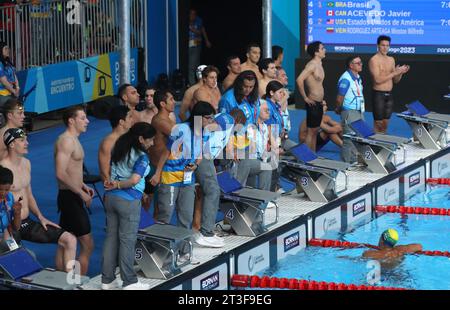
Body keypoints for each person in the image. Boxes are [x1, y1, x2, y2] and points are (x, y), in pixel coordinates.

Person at [1, 128, 77, 271]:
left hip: (26, 222)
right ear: (11, 144)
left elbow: (29, 194)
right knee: (21, 268)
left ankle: (69, 283)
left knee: (69, 240)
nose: (27, 143)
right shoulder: (2, 169)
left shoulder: (26, 163)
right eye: (22, 140)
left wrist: (41, 217)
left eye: (26, 139)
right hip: (8, 227)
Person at [101, 122, 156, 291]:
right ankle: (130, 281)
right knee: (127, 241)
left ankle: (107, 280)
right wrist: (118, 185)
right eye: (150, 140)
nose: (152, 143)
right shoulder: (142, 156)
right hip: (128, 201)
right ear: (141, 139)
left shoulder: (119, 146)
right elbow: (133, 180)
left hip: (110, 200)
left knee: (111, 238)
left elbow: (111, 170)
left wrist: (114, 185)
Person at [54, 106, 94, 275]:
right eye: (83, 118)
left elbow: (71, 170)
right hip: (70, 197)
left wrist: (82, 185)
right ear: (71, 120)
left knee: (65, 241)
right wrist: (80, 192)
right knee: (87, 244)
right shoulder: (66, 141)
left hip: (71, 195)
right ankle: (76, 283)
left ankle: (62, 281)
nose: (88, 121)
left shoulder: (73, 139)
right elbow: (60, 173)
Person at [369, 35, 410, 134]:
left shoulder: (391, 59)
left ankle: (383, 145)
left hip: (389, 95)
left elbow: (395, 80)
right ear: (378, 45)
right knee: (378, 124)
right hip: (378, 95)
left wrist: (400, 73)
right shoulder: (374, 60)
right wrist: (394, 73)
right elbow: (377, 80)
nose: (385, 48)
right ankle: (373, 145)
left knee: (385, 125)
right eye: (383, 45)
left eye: (387, 45)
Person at [296, 41, 326, 152]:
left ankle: (312, 155)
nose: (325, 50)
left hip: (318, 102)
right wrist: (305, 98)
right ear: (316, 52)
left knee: (315, 131)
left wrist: (322, 100)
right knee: (311, 131)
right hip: (312, 102)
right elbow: (299, 79)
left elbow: (318, 85)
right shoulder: (312, 65)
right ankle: (308, 157)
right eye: (322, 48)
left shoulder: (320, 64)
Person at [236, 100, 272, 191]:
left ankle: (265, 198)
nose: (268, 112)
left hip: (256, 159)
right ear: (257, 111)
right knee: (266, 166)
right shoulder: (248, 127)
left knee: (271, 161)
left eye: (269, 110)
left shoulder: (264, 127)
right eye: (265, 110)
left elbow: (263, 149)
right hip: (243, 159)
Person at [335, 55, 366, 163]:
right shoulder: (346, 79)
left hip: (359, 111)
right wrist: (340, 109)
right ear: (351, 65)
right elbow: (339, 98)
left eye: (361, 62)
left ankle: (355, 161)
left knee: (360, 137)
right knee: (349, 140)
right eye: (358, 63)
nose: (361, 64)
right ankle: (346, 166)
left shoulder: (358, 77)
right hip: (349, 112)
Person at [98, 105, 133, 182]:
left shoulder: (131, 137)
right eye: (130, 117)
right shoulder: (108, 143)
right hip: (119, 186)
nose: (132, 120)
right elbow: (104, 172)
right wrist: (111, 188)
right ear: (121, 122)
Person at [0, 165, 22, 255]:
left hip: (6, 234)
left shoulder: (9, 197)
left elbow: (16, 227)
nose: (3, 193)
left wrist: (17, 214)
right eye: (0, 189)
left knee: (28, 255)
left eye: (7, 189)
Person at [188, 9, 212, 86]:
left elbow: (201, 31)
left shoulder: (198, 20)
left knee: (195, 65)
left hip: (196, 45)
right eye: (191, 14)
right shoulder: (185, 20)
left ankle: (197, 83)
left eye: (194, 14)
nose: (193, 16)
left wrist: (207, 41)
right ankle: (192, 84)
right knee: (191, 66)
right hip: (187, 45)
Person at [0, 42, 19, 107]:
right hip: (3, 94)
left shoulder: (8, 62)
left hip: (12, 92)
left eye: (8, 48)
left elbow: (14, 75)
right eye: (5, 49)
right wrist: (14, 91)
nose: (8, 50)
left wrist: (17, 88)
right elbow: (4, 82)